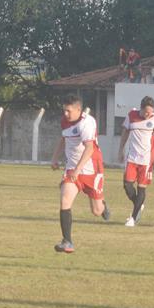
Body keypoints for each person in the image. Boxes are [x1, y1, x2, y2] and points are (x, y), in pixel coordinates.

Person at [51, 95, 109, 253]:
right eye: (64, 111)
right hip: (72, 168)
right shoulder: (65, 121)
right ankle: (67, 241)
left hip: (91, 168)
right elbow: (63, 139)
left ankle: (103, 206)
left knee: (96, 211)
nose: (66, 114)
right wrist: (55, 158)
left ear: (78, 110)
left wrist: (78, 170)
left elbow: (89, 148)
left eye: (69, 111)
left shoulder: (87, 123)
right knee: (65, 200)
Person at [117, 96, 154, 227]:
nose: (149, 114)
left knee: (141, 189)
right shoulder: (131, 115)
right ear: (141, 108)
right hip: (132, 158)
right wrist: (121, 150)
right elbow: (125, 133)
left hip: (146, 161)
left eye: (151, 112)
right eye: (146, 111)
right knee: (127, 186)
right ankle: (139, 204)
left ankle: (133, 218)